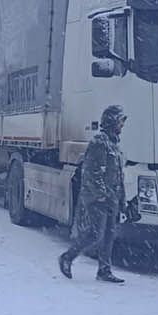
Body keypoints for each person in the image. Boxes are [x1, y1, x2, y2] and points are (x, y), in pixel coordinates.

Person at [59, 105, 130, 284]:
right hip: (98, 198)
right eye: (120, 121)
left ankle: (104, 270)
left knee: (108, 235)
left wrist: (122, 200)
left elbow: (119, 175)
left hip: (112, 198)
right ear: (111, 121)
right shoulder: (99, 143)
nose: (122, 125)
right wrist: (101, 194)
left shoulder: (114, 144)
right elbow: (91, 171)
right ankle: (67, 257)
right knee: (93, 234)